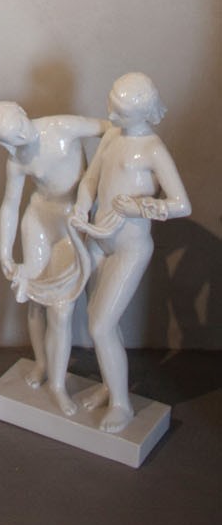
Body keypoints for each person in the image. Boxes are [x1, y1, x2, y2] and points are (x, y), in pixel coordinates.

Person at [69, 73, 191, 432]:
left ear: (142, 113)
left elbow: (181, 204)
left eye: (119, 111)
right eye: (111, 104)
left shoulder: (153, 150)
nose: (110, 114)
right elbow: (91, 179)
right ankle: (110, 386)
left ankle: (121, 404)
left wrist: (138, 208)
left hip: (129, 248)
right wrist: (82, 206)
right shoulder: (112, 135)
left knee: (100, 324)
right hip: (99, 239)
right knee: (99, 319)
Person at [0, 101, 107, 415]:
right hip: (39, 220)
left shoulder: (63, 126)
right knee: (35, 298)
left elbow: (111, 131)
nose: (22, 137)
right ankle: (41, 363)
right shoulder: (16, 159)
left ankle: (58, 385)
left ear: (22, 112)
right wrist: (4, 249)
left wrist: (98, 183)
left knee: (61, 310)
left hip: (71, 223)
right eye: (12, 138)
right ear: (3, 142)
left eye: (21, 128)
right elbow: (10, 204)